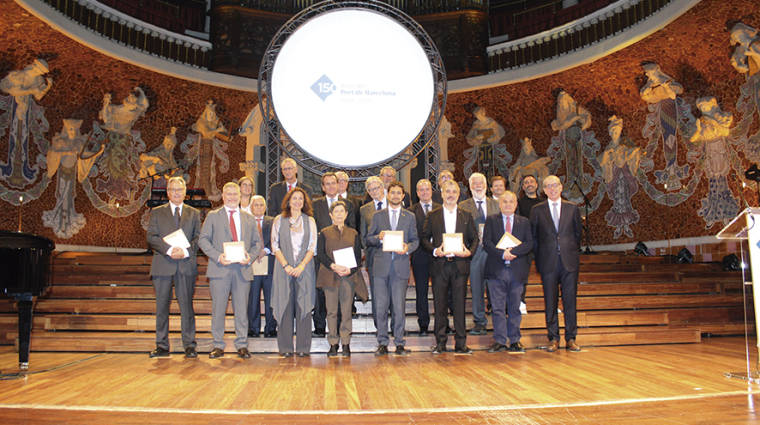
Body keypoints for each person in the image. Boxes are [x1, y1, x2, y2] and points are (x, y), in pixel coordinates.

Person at [199, 182, 260, 359]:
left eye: (236, 194)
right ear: (223, 196)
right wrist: (218, 256)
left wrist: (250, 257)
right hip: (220, 269)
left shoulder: (248, 218)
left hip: (242, 269)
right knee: (218, 309)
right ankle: (218, 345)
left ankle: (242, 344)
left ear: (241, 196)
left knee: (242, 310)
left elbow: (257, 244)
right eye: (229, 194)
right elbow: (203, 240)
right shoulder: (213, 216)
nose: (232, 197)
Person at [146, 176, 201, 358]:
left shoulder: (194, 213)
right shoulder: (156, 212)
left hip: (185, 265)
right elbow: (151, 237)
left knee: (187, 307)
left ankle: (189, 345)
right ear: (168, 192)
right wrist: (169, 250)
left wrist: (185, 252)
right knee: (162, 307)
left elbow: (198, 238)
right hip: (163, 265)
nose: (176, 193)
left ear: (185, 192)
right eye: (173, 190)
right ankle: (161, 345)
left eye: (180, 189)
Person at [421, 180, 478, 354]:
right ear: (442, 194)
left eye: (454, 191)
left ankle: (461, 344)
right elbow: (424, 238)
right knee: (440, 306)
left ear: (458, 194)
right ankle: (440, 343)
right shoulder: (433, 215)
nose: (451, 194)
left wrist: (469, 252)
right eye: (448, 191)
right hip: (440, 267)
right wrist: (435, 251)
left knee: (459, 306)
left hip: (460, 266)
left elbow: (475, 239)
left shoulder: (466, 215)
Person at [365, 181, 419, 356]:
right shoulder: (377, 216)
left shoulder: (410, 216)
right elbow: (368, 239)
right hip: (381, 267)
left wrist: (407, 248)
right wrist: (378, 237)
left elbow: (415, 240)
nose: (395, 196)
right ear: (388, 195)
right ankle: (382, 342)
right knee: (380, 307)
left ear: (403, 196)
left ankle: (400, 342)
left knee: (398, 307)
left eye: (399, 193)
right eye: (393, 192)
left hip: (400, 266)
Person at [530, 175, 582, 352]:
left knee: (570, 301)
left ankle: (571, 338)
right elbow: (534, 238)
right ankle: (553, 338)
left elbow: (577, 235)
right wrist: (539, 259)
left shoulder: (572, 208)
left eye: (555, 185)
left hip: (569, 262)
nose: (552, 189)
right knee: (550, 302)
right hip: (548, 262)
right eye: (548, 186)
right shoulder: (537, 210)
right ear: (543, 191)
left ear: (561, 187)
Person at [483, 191, 533, 353]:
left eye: (511, 201)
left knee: (514, 308)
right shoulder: (491, 220)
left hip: (517, 270)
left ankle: (515, 340)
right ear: (499, 204)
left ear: (516, 204)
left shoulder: (524, 222)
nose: (508, 204)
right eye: (505, 202)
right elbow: (487, 242)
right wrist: (502, 253)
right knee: (497, 308)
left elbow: (529, 243)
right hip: (497, 269)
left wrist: (515, 252)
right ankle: (499, 340)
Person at [271, 187, 318, 357]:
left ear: (304, 202)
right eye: (294, 198)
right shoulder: (279, 220)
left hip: (304, 269)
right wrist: (286, 266)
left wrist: (301, 266)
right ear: (288, 201)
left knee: (303, 306)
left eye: (301, 199)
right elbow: (275, 245)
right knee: (284, 305)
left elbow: (312, 246)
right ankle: (285, 348)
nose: (297, 201)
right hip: (283, 269)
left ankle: (303, 348)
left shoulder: (310, 221)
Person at [312, 172, 357, 336]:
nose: (331, 186)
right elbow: (314, 229)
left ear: (339, 185)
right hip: (323, 257)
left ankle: (339, 329)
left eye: (333, 183)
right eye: (327, 184)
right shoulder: (315, 205)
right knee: (321, 294)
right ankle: (319, 325)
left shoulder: (349, 205)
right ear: (323, 187)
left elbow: (353, 228)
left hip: (343, 257)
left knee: (341, 294)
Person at [316, 201, 363, 357]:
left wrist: (350, 269)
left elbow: (357, 257)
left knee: (346, 311)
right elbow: (321, 254)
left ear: (346, 214)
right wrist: (333, 266)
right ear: (331, 215)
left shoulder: (354, 233)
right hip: (330, 276)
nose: (339, 214)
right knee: (332, 312)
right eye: (336, 211)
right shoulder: (324, 232)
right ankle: (333, 343)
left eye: (342, 211)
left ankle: (346, 343)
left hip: (348, 277)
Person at [458, 172, 498, 335]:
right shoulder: (463, 206)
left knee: (496, 289)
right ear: (469, 186)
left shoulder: (496, 204)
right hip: (475, 253)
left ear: (486, 185)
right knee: (476, 288)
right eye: (474, 183)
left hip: (495, 253)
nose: (478, 186)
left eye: (480, 182)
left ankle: (498, 320)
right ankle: (479, 321)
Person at [409, 179, 439, 336]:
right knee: (421, 291)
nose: (424, 192)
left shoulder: (440, 209)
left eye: (427, 189)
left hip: (438, 256)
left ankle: (442, 324)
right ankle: (423, 324)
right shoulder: (410, 211)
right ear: (417, 192)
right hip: (420, 255)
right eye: (421, 190)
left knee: (440, 291)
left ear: (431, 191)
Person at [247, 195, 277, 338]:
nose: (258, 208)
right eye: (256, 205)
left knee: (271, 298)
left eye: (261, 205)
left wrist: (265, 250)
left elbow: (277, 239)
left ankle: (271, 328)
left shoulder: (272, 222)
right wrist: (254, 252)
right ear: (251, 207)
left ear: (265, 207)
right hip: (252, 264)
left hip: (270, 264)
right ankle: (253, 328)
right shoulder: (245, 222)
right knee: (253, 299)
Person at [359, 176, 386, 326]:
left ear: (383, 188)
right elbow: (363, 236)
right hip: (374, 257)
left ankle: (395, 326)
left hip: (394, 256)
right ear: (368, 192)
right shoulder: (364, 209)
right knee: (377, 294)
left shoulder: (395, 204)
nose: (374, 191)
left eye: (377, 188)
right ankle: (379, 326)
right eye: (371, 189)